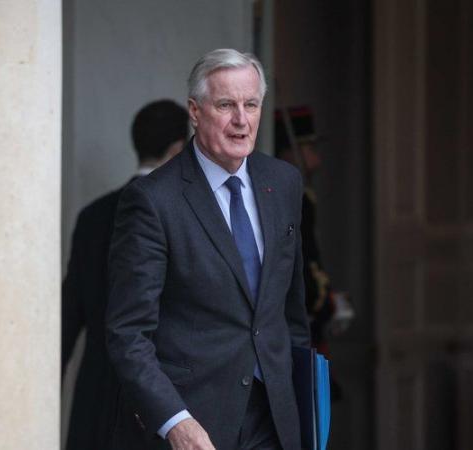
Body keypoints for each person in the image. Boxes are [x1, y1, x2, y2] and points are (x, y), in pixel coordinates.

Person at [106, 49, 310, 450]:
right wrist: (175, 422)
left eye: (251, 104)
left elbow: (292, 312)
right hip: (194, 422)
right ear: (195, 112)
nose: (241, 119)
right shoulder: (153, 200)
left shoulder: (283, 182)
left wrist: (304, 404)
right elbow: (128, 333)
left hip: (275, 419)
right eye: (225, 105)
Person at [62, 100, 189, 450]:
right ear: (179, 149)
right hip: (156, 404)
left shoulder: (92, 215)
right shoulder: (181, 216)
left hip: (96, 398)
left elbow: (68, 318)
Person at [275, 106, 354, 401]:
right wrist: (324, 303)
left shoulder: (303, 197)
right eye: (308, 148)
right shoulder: (292, 198)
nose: (316, 160)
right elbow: (302, 274)